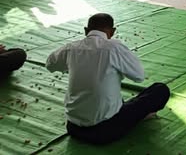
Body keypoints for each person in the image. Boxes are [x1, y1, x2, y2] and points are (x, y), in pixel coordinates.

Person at [46, 13, 170, 145]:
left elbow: (50, 65)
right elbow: (139, 76)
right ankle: (141, 116)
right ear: (112, 31)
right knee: (160, 90)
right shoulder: (114, 47)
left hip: (73, 127)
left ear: (86, 31)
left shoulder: (70, 48)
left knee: (114, 99)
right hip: (104, 131)